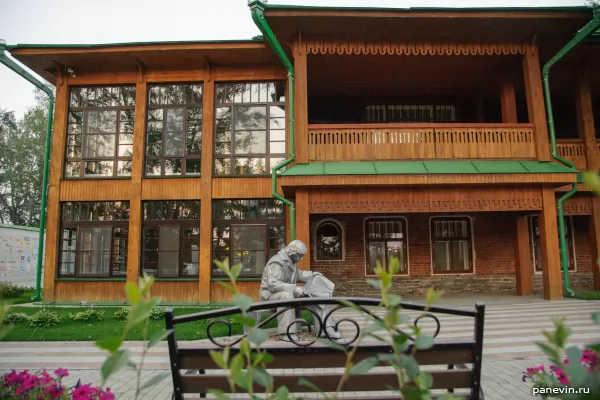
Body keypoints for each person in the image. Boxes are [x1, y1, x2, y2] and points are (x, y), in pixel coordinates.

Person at [259, 239, 342, 342]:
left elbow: (298, 274)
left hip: (287, 293)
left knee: (316, 294)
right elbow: (273, 284)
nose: (301, 258)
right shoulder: (277, 262)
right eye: (300, 255)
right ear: (292, 252)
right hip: (270, 297)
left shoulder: (291, 260)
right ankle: (286, 333)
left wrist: (312, 274)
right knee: (286, 296)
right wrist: (294, 288)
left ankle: (325, 328)